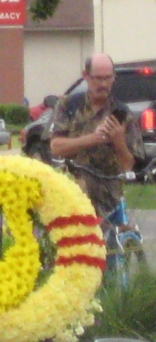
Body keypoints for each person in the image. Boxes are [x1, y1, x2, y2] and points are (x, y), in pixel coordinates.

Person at [50, 53, 145, 220]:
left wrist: (118, 140)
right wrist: (92, 139)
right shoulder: (68, 105)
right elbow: (56, 147)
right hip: (73, 199)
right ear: (86, 76)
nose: (103, 84)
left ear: (114, 78)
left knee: (121, 236)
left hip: (110, 202)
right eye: (98, 78)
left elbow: (128, 166)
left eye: (108, 78)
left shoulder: (122, 114)